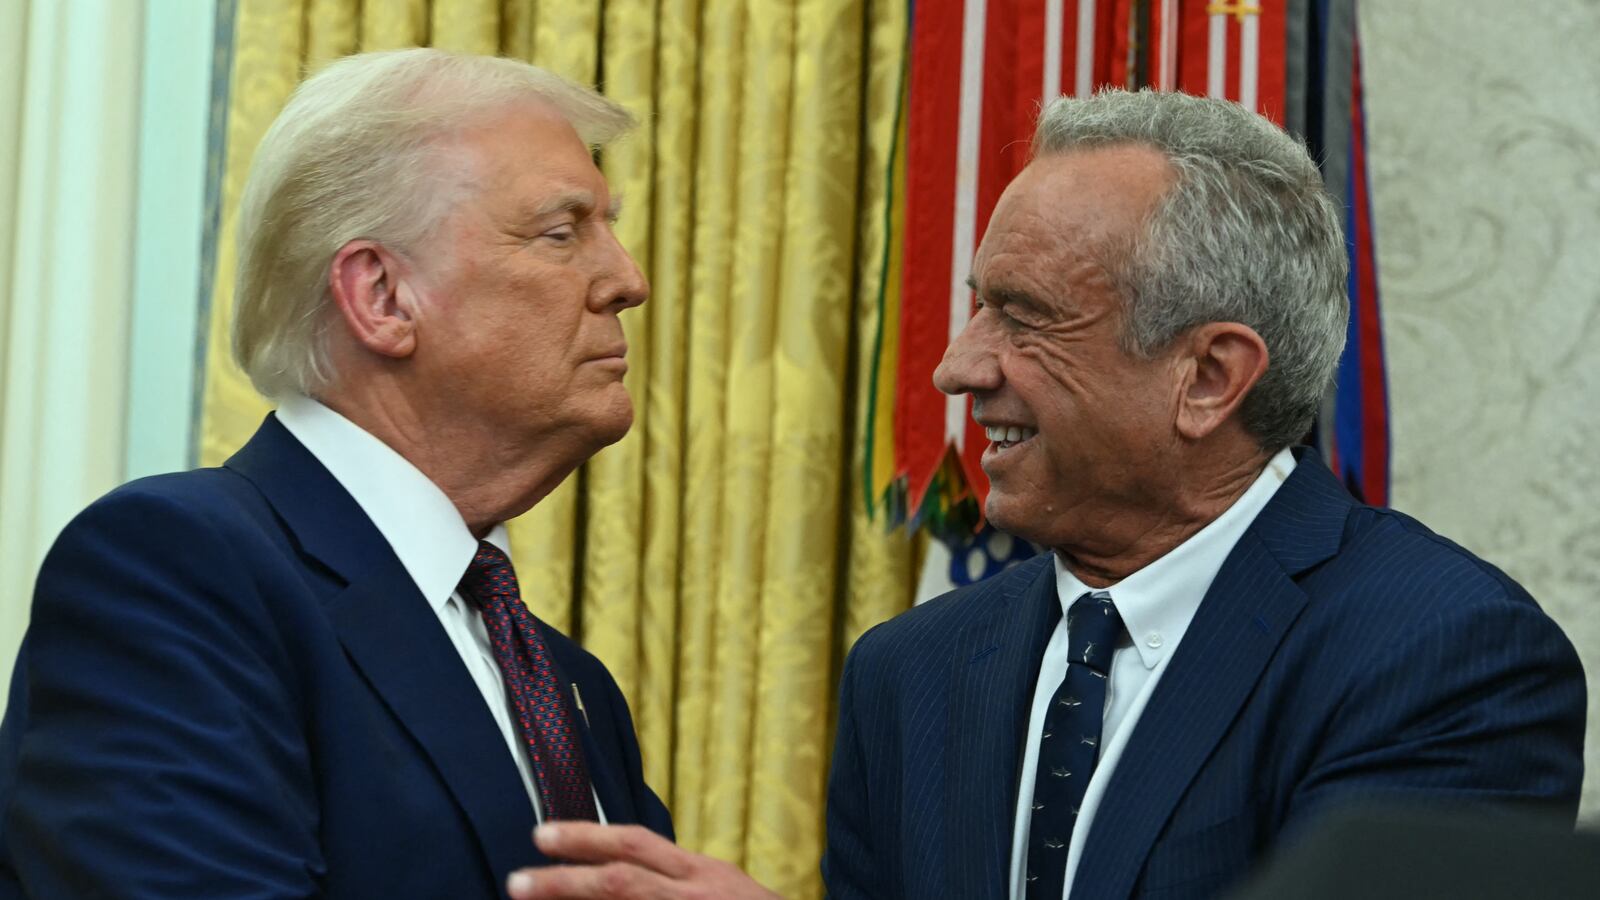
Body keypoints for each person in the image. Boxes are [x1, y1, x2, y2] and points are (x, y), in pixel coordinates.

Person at [500, 89, 1588, 900]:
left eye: (1022, 318)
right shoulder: (910, 672)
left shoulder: (1441, 656)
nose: (958, 369)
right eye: (976, 309)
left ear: (1207, 377)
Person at [0, 49, 669, 898]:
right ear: (382, 297)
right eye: (561, 231)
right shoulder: (177, 571)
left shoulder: (571, 688)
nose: (627, 280)